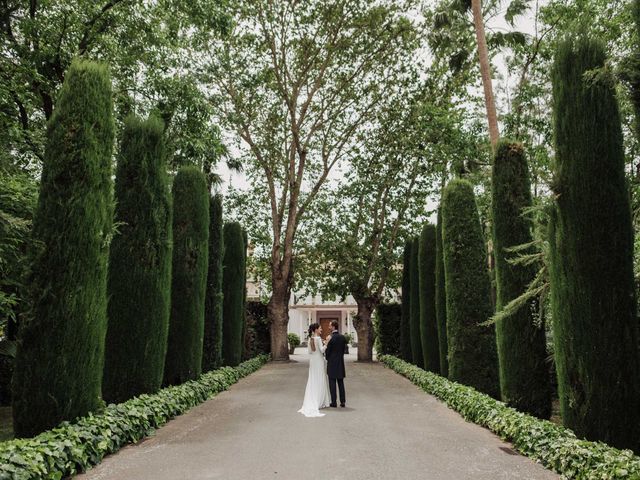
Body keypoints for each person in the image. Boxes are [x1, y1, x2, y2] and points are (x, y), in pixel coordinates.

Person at [297, 323, 331, 417]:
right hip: (319, 361)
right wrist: (327, 342)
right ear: (315, 329)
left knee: (313, 379)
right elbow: (322, 350)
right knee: (320, 378)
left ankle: (314, 398)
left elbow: (310, 352)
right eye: (320, 328)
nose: (321, 329)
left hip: (313, 361)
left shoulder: (310, 339)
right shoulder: (318, 339)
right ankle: (320, 401)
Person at [325, 319, 347, 408]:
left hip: (332, 362)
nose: (329, 327)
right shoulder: (342, 337)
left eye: (330, 325)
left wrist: (327, 358)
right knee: (341, 382)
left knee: (332, 382)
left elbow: (328, 351)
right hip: (340, 362)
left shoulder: (330, 338)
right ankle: (343, 402)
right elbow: (344, 350)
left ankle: (334, 402)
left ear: (333, 326)